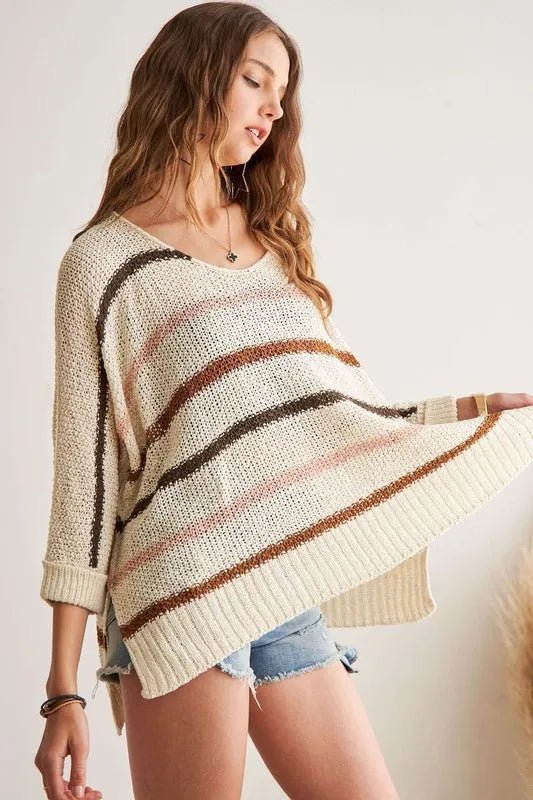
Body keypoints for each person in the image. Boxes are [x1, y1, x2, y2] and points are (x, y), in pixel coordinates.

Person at [34, 4, 533, 799]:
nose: (272, 108)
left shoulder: (271, 244)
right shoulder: (103, 265)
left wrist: (469, 410)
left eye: (282, 92)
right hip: (182, 590)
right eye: (254, 80)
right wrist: (64, 693)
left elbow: (333, 413)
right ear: (193, 79)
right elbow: (83, 490)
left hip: (278, 585)